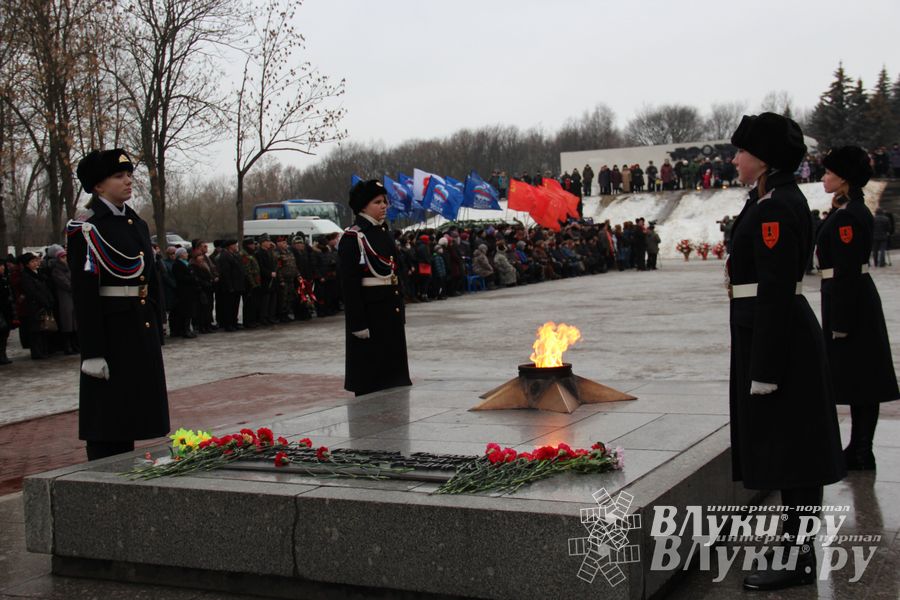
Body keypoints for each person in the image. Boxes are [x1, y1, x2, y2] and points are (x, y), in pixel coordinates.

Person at [727, 113, 844, 591]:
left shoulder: (776, 206)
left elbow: (775, 286)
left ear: (764, 159)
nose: (734, 159)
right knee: (789, 447)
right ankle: (793, 545)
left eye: (740, 152)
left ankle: (798, 559)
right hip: (769, 331)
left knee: (796, 452)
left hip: (778, 339)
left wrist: (766, 366)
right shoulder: (768, 198)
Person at [66, 148, 170, 460]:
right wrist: (93, 352)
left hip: (139, 324)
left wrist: (158, 317)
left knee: (135, 411)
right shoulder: (88, 228)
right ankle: (103, 474)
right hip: (111, 331)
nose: (128, 182)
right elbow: (85, 294)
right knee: (109, 419)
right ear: (98, 185)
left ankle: (127, 470)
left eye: (129, 175)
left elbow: (151, 278)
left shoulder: (135, 223)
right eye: (118, 176)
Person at [816, 146, 899, 470]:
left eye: (828, 173)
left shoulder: (850, 214)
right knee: (859, 378)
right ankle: (859, 447)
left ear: (844, 178)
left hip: (851, 301)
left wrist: (841, 319)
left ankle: (862, 449)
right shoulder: (848, 209)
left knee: (862, 379)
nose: (823, 178)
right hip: (849, 297)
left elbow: (848, 269)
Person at [338, 179, 411, 396]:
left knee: (393, 378)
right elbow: (349, 286)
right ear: (363, 206)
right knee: (372, 380)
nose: (384, 205)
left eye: (385, 201)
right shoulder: (354, 237)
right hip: (370, 315)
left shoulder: (382, 232)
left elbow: (395, 272)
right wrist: (357, 323)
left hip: (389, 311)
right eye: (377, 201)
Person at [0, 258, 15, 365]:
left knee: (5, 334)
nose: (2, 268)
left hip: (6, 310)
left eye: (3, 266)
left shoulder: (5, 278)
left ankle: (3, 354)